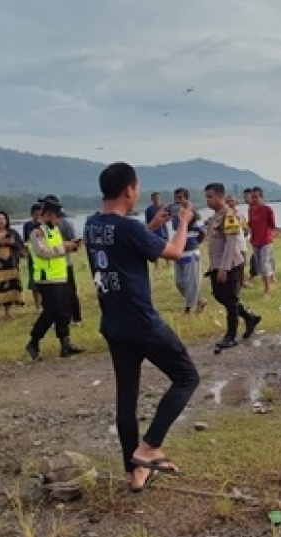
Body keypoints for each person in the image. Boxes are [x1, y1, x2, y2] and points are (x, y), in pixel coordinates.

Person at [84, 162, 201, 493]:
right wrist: (184, 222)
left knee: (127, 399)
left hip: (114, 324)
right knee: (187, 377)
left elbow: (123, 244)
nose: (137, 193)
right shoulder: (130, 228)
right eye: (136, 188)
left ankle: (135, 472)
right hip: (142, 323)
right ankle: (149, 448)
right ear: (128, 190)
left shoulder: (92, 226)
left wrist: (151, 225)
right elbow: (176, 252)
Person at [25, 200, 85, 360]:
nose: (59, 221)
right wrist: (64, 248)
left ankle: (65, 343)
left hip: (60, 277)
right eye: (57, 217)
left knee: (64, 311)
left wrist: (71, 245)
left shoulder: (55, 230)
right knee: (51, 312)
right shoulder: (37, 232)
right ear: (48, 216)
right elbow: (42, 251)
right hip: (46, 279)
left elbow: (58, 247)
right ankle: (34, 341)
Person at [205, 183, 261, 349]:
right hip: (217, 264)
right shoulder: (215, 217)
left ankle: (231, 335)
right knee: (219, 295)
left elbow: (231, 243)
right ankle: (250, 317)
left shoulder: (228, 215)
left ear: (220, 197)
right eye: (206, 197)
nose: (207, 200)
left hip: (230, 263)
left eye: (210, 197)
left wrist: (224, 267)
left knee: (230, 300)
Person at [41, 195, 84, 323]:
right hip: (52, 265)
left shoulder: (64, 224)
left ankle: (76, 318)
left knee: (69, 292)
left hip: (64, 263)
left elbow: (75, 244)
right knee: (57, 294)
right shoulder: (43, 227)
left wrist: (68, 246)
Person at [171, 187, 207, 313]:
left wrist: (195, 243)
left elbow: (202, 232)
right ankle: (199, 301)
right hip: (179, 251)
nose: (178, 200)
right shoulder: (176, 215)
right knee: (180, 282)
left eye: (180, 198)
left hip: (191, 252)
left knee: (192, 282)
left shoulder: (194, 214)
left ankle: (188, 309)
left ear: (186, 198)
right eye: (176, 198)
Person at [247, 187, 277, 295]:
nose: (254, 199)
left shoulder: (267, 209)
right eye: (252, 197)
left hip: (266, 240)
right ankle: (271, 277)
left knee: (265, 265)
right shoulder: (251, 210)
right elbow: (250, 224)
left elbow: (272, 225)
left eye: (256, 197)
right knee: (259, 265)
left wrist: (270, 235)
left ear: (261, 197)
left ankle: (267, 290)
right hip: (255, 241)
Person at [22, 203, 43, 311]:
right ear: (32, 214)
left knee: (44, 280)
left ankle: (45, 304)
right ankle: (37, 306)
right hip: (32, 255)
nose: (38, 216)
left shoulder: (45, 225)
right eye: (36, 214)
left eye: (40, 214)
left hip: (44, 255)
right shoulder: (27, 225)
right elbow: (25, 240)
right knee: (33, 281)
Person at [145, 192, 169, 270]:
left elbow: (168, 218)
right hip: (154, 232)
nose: (156, 199)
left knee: (166, 247)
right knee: (155, 249)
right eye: (155, 198)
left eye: (158, 197)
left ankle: (168, 264)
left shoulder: (164, 207)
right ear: (152, 199)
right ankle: (156, 266)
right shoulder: (149, 210)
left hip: (163, 231)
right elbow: (148, 222)